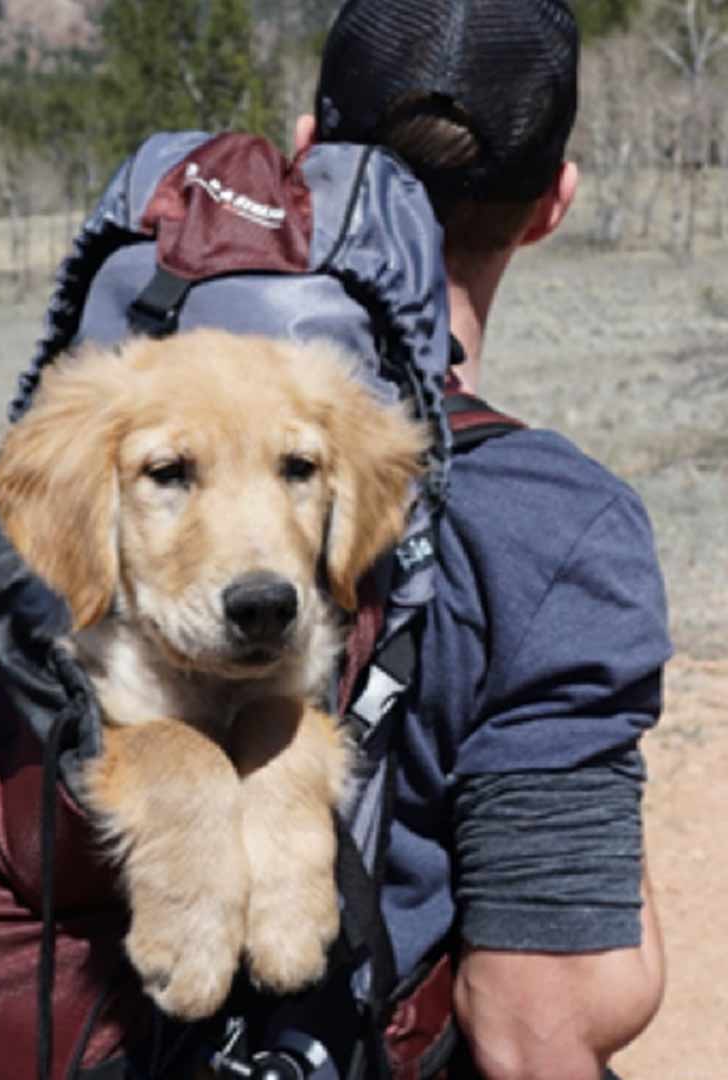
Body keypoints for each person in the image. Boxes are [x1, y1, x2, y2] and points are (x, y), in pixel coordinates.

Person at [297, 2, 671, 1076]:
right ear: (555, 202)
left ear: (307, 155)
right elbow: (529, 1029)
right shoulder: (552, 526)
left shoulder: (118, 418)